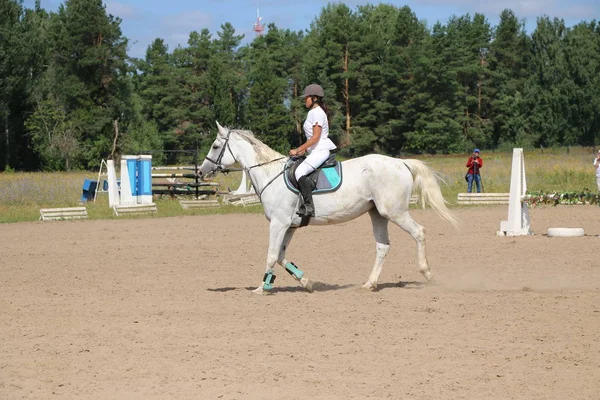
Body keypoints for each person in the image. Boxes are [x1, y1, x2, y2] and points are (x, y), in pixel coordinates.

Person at [289, 83, 337, 217]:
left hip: (320, 151)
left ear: (314, 98)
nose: (305, 100)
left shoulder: (317, 113)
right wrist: (305, 150)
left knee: (299, 172)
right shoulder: (313, 113)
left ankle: (309, 207)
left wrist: (298, 149)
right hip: (315, 151)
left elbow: (316, 137)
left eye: (306, 98)